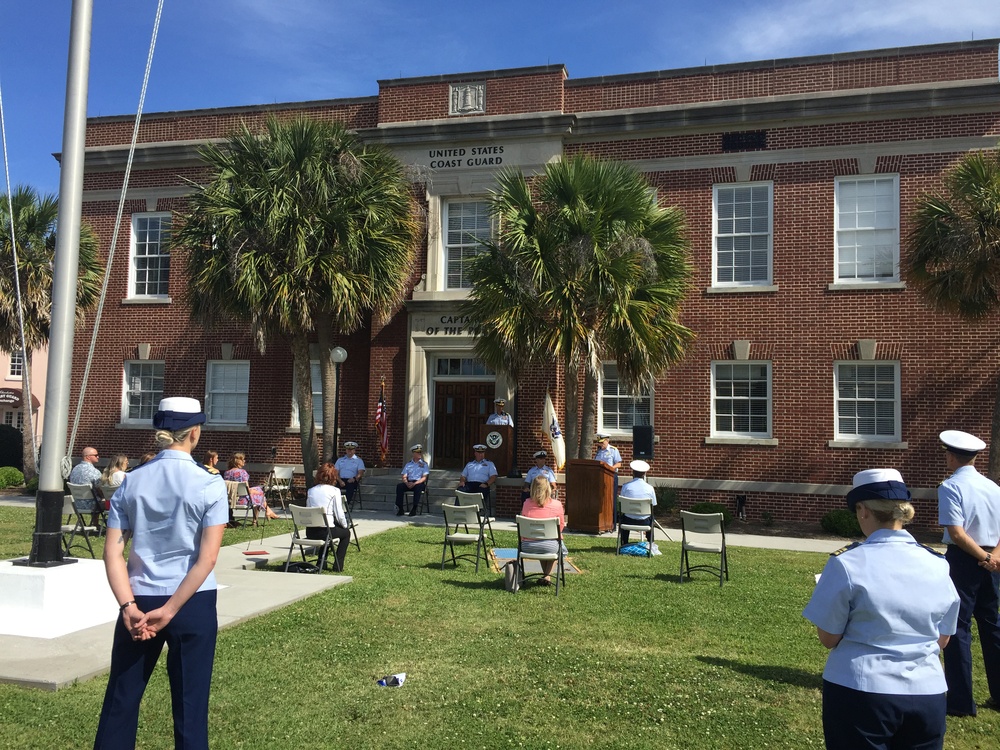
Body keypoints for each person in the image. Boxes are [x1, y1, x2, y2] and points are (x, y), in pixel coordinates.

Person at [94, 397, 229, 750]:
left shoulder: (131, 481)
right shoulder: (210, 483)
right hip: (192, 600)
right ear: (195, 433)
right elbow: (208, 558)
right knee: (190, 704)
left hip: (137, 598)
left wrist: (128, 607)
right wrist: (170, 611)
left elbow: (113, 551)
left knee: (121, 699)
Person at [803, 468, 960, 750]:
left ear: (863, 510)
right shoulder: (938, 564)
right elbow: (943, 639)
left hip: (862, 689)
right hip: (928, 691)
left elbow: (828, 638)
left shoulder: (847, 563)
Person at [937, 429, 1000, 717]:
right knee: (992, 626)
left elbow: (957, 534)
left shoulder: (950, 487)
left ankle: (961, 702)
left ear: (951, 456)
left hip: (965, 560)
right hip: (993, 561)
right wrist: (993, 557)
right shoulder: (993, 487)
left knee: (958, 628)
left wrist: (983, 556)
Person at [519, 476, 567, 585]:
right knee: (553, 544)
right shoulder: (557, 504)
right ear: (548, 488)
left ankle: (545, 576)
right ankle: (547, 576)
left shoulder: (526, 503)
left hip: (527, 546)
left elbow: (522, 524)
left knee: (541, 540)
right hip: (549, 545)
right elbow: (561, 526)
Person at [305, 462, 352, 572]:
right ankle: (338, 566)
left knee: (328, 533)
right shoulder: (335, 491)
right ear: (333, 477)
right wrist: (345, 526)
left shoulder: (311, 490)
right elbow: (339, 514)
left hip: (311, 531)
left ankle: (321, 562)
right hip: (326, 530)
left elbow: (308, 510)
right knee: (346, 534)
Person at [223, 452, 278, 522]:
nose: (244, 461)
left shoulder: (226, 473)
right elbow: (246, 490)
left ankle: (268, 510)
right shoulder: (242, 472)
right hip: (242, 500)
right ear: (237, 461)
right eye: (242, 459)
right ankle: (259, 518)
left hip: (231, 499)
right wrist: (255, 491)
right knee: (259, 493)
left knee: (257, 490)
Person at [618, 459, 657, 547]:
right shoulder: (650, 488)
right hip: (645, 521)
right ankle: (650, 544)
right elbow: (653, 505)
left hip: (628, 520)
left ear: (633, 472)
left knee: (623, 516)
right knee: (651, 518)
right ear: (644, 474)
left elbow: (622, 503)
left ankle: (624, 543)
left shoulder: (626, 487)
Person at [458, 443, 498, 515]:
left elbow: (493, 477)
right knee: (460, 490)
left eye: (482, 453)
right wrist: (462, 481)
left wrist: (486, 484)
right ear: (475, 453)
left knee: (482, 491)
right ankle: (458, 510)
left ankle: (478, 511)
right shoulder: (470, 464)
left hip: (481, 484)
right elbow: (463, 476)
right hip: (470, 484)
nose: (481, 454)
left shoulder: (489, 464)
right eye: (479, 453)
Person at [395, 444, 429, 516]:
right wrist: (407, 483)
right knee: (399, 486)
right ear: (413, 453)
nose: (420, 454)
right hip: (409, 482)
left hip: (419, 483)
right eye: (418, 452)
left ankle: (414, 508)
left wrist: (415, 483)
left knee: (418, 487)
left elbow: (424, 478)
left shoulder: (424, 464)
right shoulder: (408, 464)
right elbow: (404, 476)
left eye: (420, 452)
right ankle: (400, 508)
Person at [334, 441, 366, 510]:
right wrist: (339, 480)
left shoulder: (358, 461)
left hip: (352, 480)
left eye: (351, 450)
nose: (349, 451)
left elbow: (360, 473)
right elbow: (335, 472)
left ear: (354, 450)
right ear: (346, 450)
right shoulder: (340, 460)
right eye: (348, 449)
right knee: (334, 488)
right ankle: (335, 505)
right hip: (340, 479)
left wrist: (354, 478)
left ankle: (345, 506)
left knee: (350, 487)